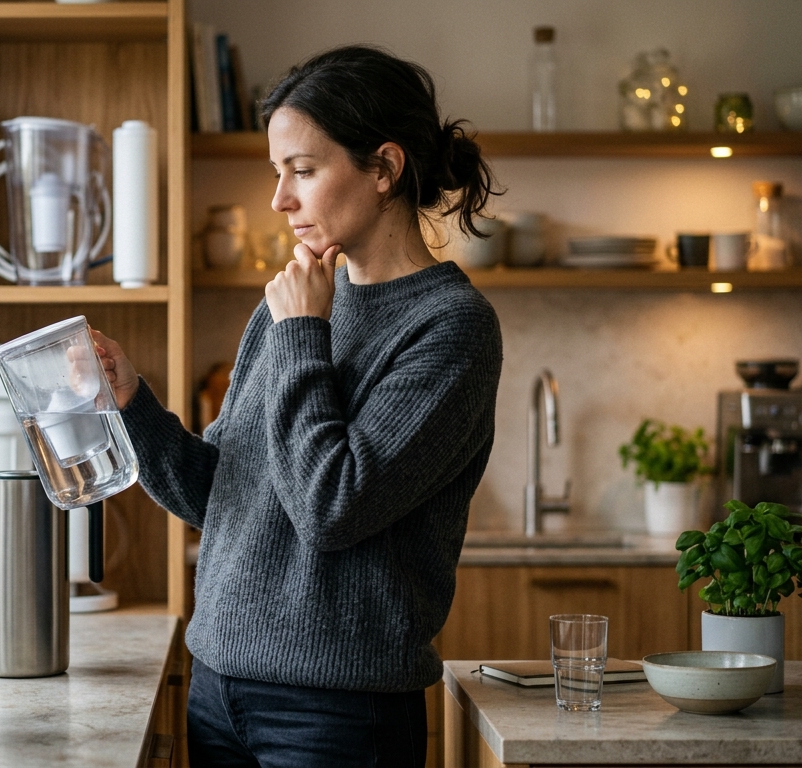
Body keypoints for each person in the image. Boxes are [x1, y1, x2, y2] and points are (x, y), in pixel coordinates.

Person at [93, 45, 504, 768]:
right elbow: (220, 495)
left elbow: (333, 507)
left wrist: (307, 336)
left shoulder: (450, 326)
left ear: (384, 167)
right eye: (277, 174)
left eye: (303, 171)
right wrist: (131, 400)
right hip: (218, 688)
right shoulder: (290, 306)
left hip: (339, 714)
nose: (280, 199)